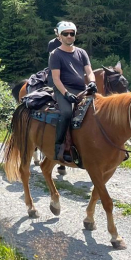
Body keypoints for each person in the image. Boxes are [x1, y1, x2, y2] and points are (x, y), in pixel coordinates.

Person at [48, 21, 96, 163]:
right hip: (63, 89)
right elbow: (56, 78)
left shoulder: (82, 52)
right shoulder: (55, 54)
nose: (69, 36)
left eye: (72, 33)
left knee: (97, 111)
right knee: (67, 113)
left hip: (81, 89)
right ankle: (59, 147)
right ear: (60, 36)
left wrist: (92, 82)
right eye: (65, 34)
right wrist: (66, 94)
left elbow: (89, 72)